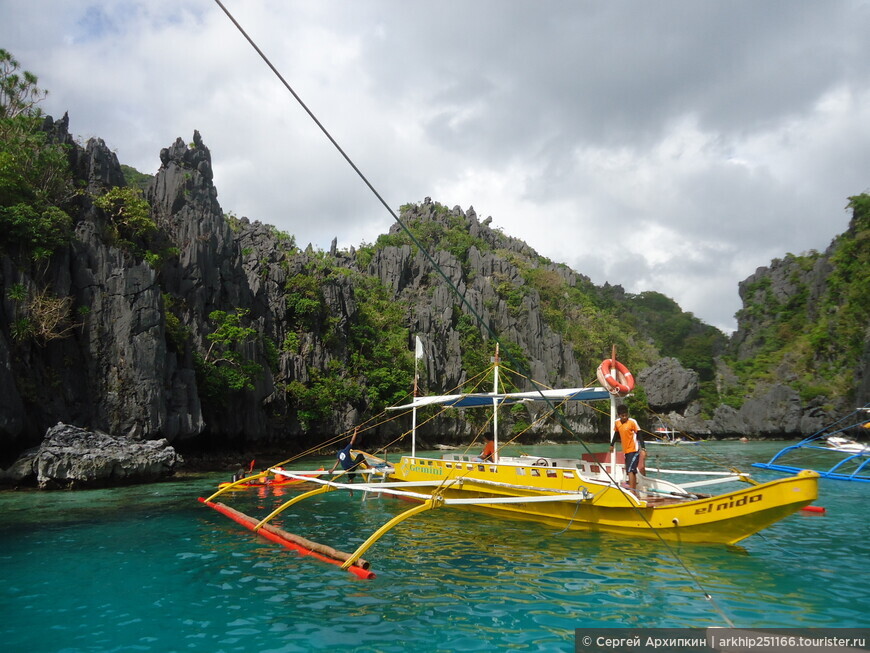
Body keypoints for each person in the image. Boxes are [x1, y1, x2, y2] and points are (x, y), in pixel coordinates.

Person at [609, 404, 646, 492]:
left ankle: (632, 491)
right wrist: (612, 444)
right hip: (625, 450)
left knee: (630, 471)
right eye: (623, 416)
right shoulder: (617, 422)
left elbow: (640, 435)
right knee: (629, 469)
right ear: (619, 415)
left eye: (626, 415)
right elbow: (616, 434)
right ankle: (632, 489)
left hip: (633, 449)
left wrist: (643, 449)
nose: (625, 417)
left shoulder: (632, 422)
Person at [330, 427, 368, 493]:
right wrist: (355, 431)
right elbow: (352, 441)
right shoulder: (346, 449)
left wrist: (333, 469)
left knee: (351, 477)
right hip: (352, 467)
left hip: (347, 469)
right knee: (360, 456)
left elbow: (338, 461)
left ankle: (351, 491)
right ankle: (369, 466)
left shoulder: (339, 453)